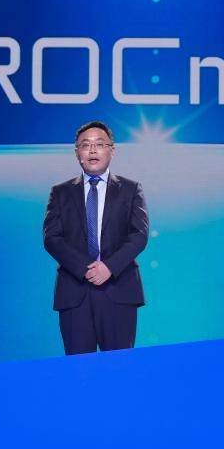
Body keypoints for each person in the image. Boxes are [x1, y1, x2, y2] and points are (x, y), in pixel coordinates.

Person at [43, 120, 149, 354]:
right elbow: (52, 238)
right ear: (77, 153)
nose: (92, 150)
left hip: (119, 290)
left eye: (100, 144)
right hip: (74, 292)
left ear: (112, 150)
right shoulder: (60, 192)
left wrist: (108, 268)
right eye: (85, 145)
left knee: (119, 367)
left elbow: (139, 235)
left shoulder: (131, 189)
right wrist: (86, 268)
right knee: (80, 369)